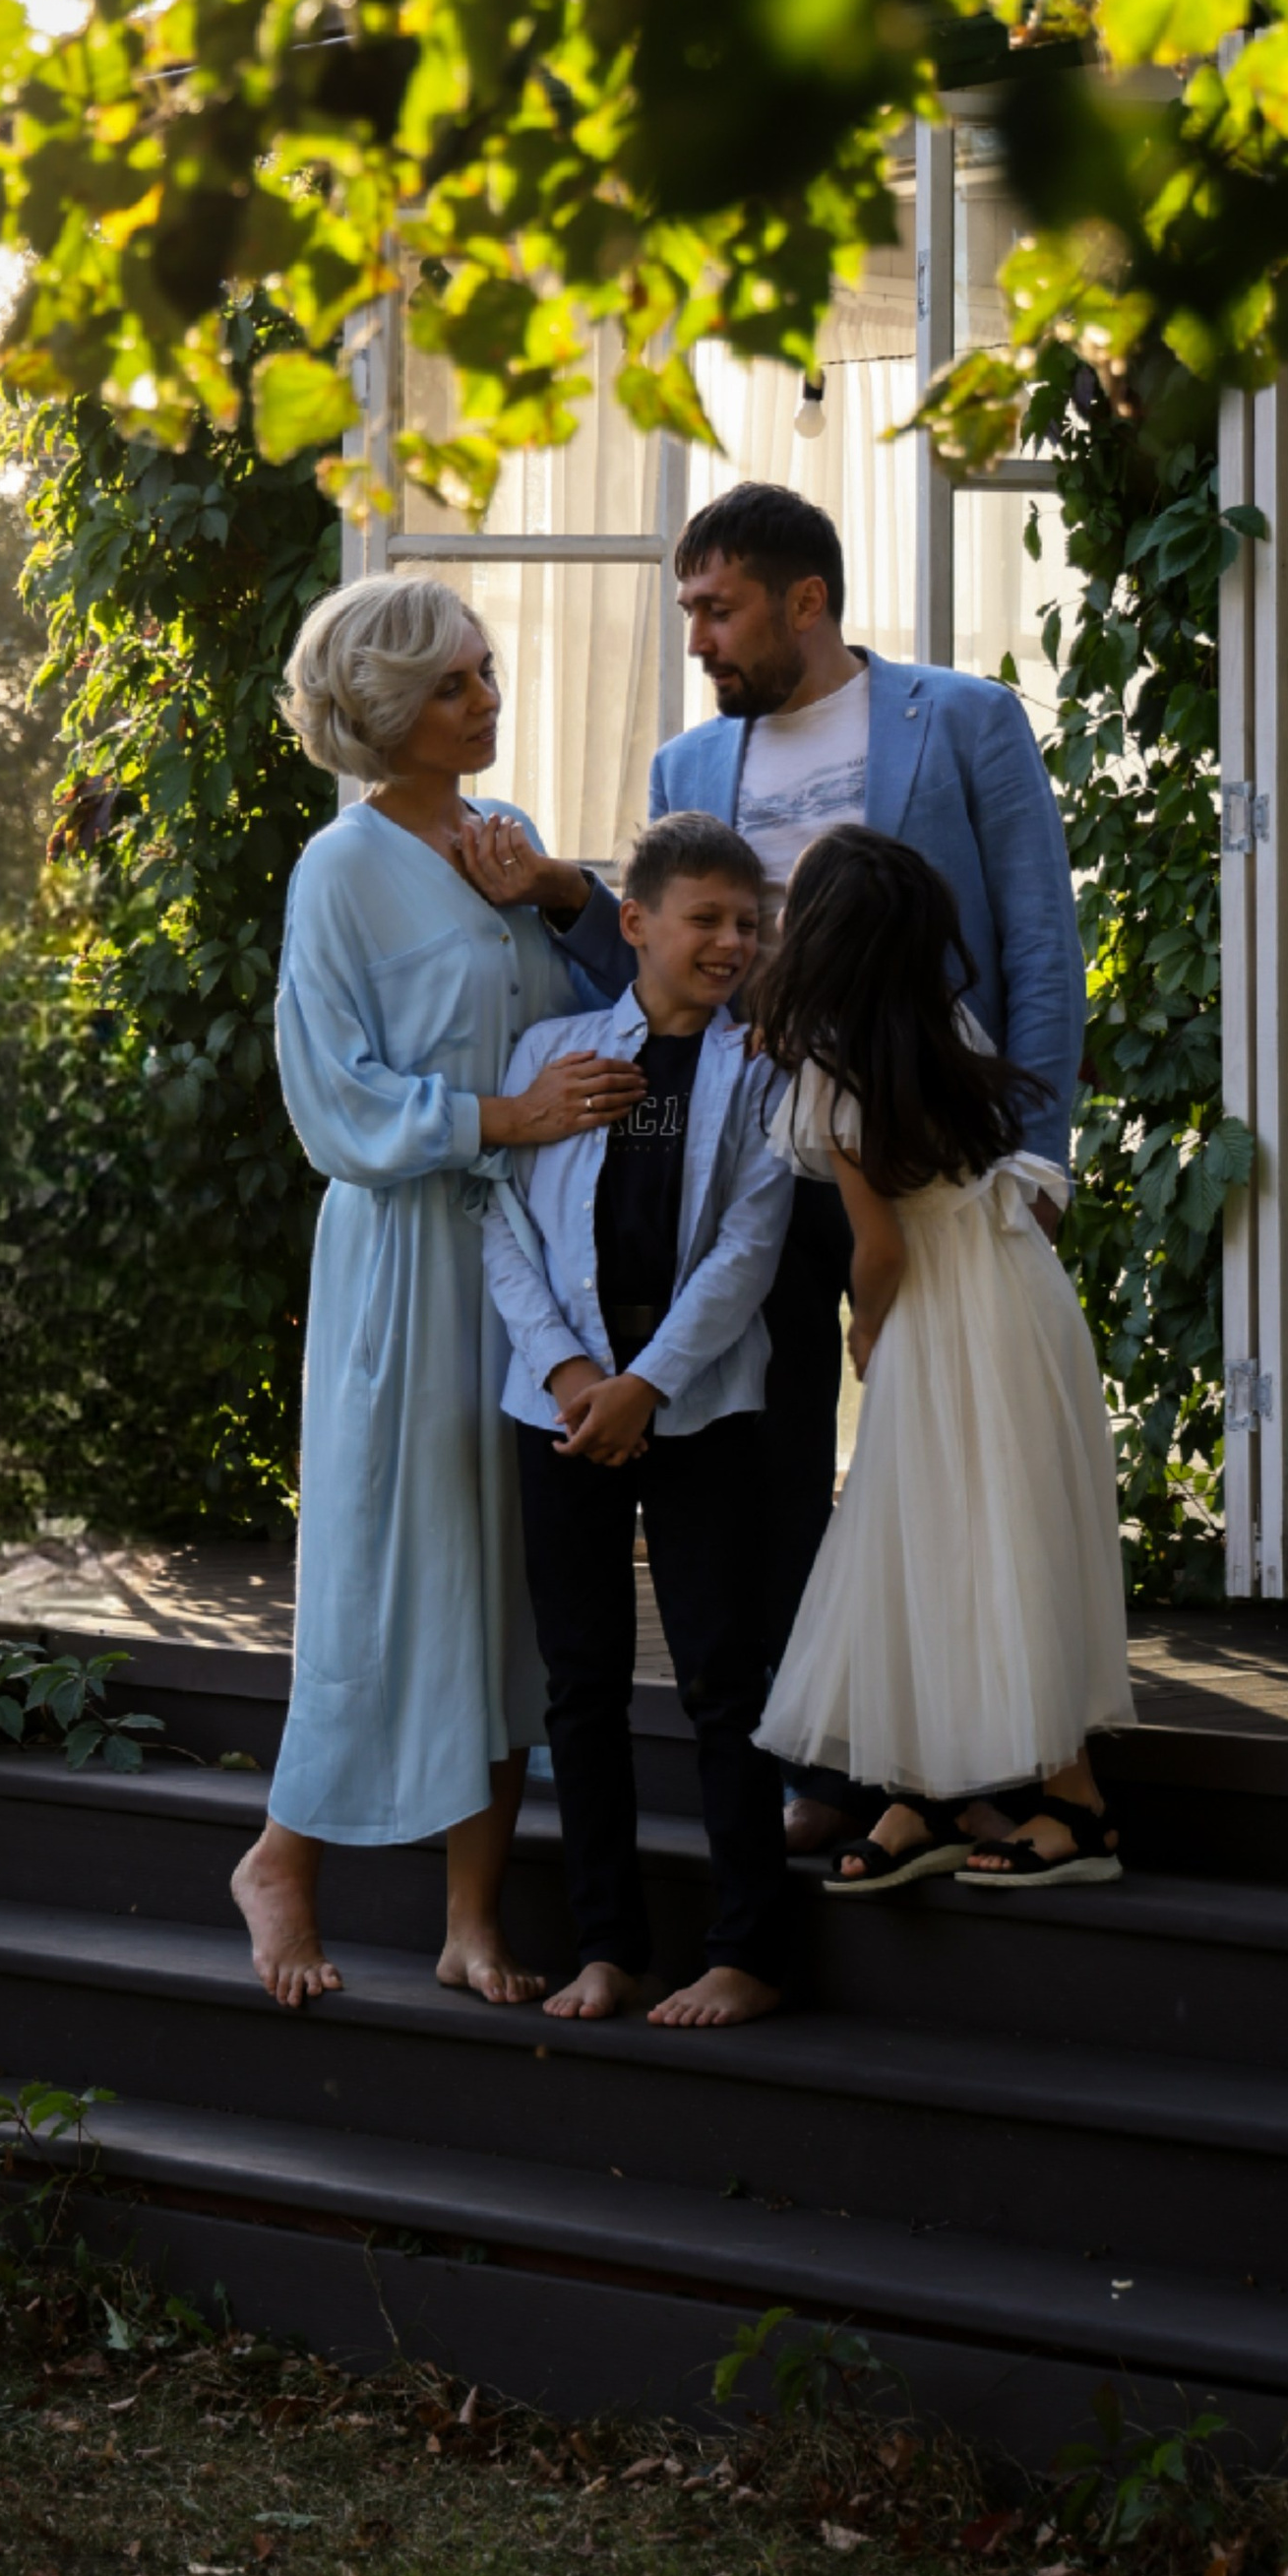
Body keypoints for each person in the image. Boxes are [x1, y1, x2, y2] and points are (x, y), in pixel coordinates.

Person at [455, 482, 1085, 1856]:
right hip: (754, 1163)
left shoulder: (962, 723)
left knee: (947, 1468)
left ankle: (978, 1759)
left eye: (718, 607)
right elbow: (655, 955)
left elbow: (1038, 941)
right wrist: (564, 893)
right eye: (687, 610)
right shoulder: (690, 770)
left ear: (807, 601)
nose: (698, 638)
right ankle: (842, 1768)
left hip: (925, 1170)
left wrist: (1035, 1162)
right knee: (773, 1477)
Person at [229, 576, 640, 2015]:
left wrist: (555, 891)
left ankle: (473, 1917)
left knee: (511, 1584)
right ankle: (283, 1858)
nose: (489, 700)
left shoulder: (496, 842)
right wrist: (501, 1121)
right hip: (408, 1263)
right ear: (395, 708)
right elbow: (329, 1099)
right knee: (391, 1567)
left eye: (488, 675)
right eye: (461, 683)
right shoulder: (336, 874)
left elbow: (599, 1003)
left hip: (529, 1265)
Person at [753, 824, 1134, 1890]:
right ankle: (919, 1792)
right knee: (963, 1526)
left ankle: (1076, 1804)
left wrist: (863, 1324)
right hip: (1010, 1287)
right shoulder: (934, 1024)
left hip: (942, 1304)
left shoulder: (833, 1066)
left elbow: (875, 1249)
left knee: (959, 1528)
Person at [481, 813, 795, 2028]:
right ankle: (605, 1945)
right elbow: (497, 1217)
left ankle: (747, 1951)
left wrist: (645, 1386)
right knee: (581, 1685)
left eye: (746, 924)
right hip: (556, 1409)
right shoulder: (555, 1050)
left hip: (700, 1408)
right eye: (705, 920)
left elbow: (746, 1249)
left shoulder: (764, 1067)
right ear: (635, 923)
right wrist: (567, 1372)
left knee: (722, 1676)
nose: (730, 943)